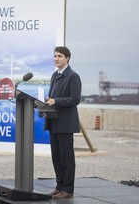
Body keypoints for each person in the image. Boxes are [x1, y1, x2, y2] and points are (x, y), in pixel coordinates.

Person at [45, 46, 82, 199]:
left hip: (65, 123)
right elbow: (53, 97)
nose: (56, 58)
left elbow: (75, 99)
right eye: (55, 56)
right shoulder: (55, 75)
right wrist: (48, 101)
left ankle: (68, 190)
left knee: (67, 158)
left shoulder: (73, 76)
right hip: (54, 122)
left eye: (59, 56)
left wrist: (55, 101)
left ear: (67, 58)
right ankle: (59, 186)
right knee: (57, 157)